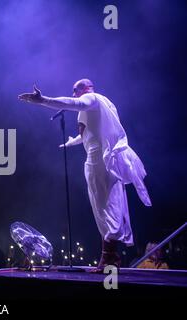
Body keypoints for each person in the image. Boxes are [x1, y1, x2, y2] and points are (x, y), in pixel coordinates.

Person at [19, 79, 152, 272]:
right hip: (101, 160)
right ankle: (109, 257)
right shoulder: (105, 105)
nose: (74, 94)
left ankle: (109, 258)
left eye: (75, 90)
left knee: (106, 209)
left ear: (86, 88)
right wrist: (71, 143)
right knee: (105, 208)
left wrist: (43, 100)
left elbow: (73, 103)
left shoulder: (93, 98)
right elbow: (91, 134)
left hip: (99, 161)